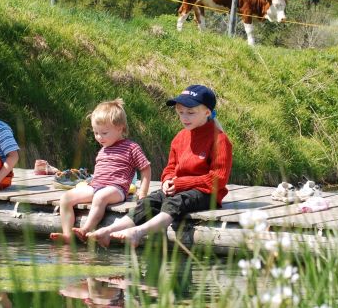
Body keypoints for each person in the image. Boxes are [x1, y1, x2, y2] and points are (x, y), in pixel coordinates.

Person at [88, 85, 232, 247]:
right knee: (149, 201)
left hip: (207, 194)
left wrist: (179, 184)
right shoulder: (180, 137)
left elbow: (218, 179)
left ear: (207, 112)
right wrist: (167, 181)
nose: (185, 117)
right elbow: (170, 168)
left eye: (190, 113)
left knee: (175, 202)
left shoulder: (220, 140)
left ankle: (138, 232)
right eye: (180, 112)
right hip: (178, 188)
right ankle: (109, 230)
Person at [50, 99, 151, 243]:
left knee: (100, 197)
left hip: (116, 189)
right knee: (66, 198)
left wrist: (143, 193)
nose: (99, 137)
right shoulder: (103, 149)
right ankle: (67, 234)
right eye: (96, 132)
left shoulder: (131, 147)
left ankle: (85, 230)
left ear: (120, 128)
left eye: (104, 133)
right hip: (95, 186)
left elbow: (145, 168)